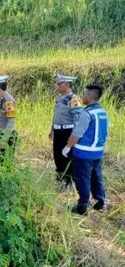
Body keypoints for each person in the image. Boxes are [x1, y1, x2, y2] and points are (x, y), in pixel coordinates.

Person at [62, 84, 108, 215]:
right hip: (97, 152)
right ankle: (100, 202)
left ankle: (83, 206)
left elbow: (77, 134)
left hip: (83, 153)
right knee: (97, 177)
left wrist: (67, 147)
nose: (82, 97)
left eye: (84, 95)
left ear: (89, 97)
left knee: (83, 179)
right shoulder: (102, 112)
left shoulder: (86, 113)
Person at [49, 74, 83, 188]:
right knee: (57, 155)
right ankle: (60, 179)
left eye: (60, 84)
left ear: (67, 85)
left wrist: (73, 135)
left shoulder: (73, 99)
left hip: (68, 131)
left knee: (67, 157)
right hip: (58, 131)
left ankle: (68, 182)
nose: (57, 86)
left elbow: (77, 119)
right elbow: (56, 116)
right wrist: (52, 130)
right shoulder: (60, 98)